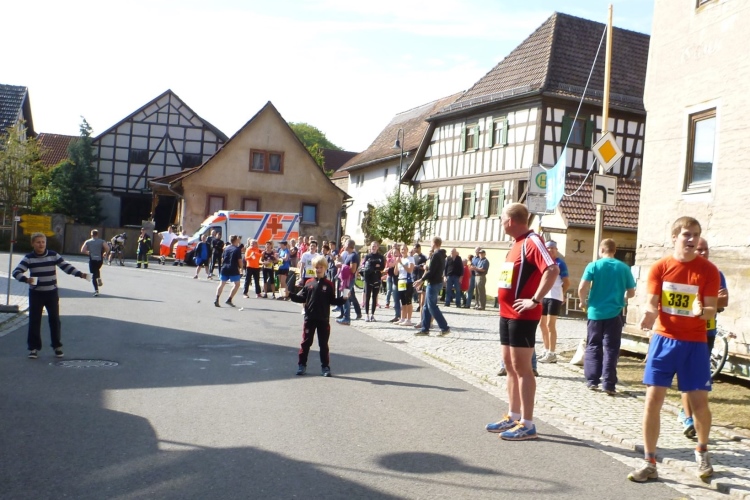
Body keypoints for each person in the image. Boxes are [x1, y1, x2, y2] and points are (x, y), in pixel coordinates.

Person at [628, 217, 719, 482]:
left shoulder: (708, 270)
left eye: (696, 235)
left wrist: (703, 311)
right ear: (674, 237)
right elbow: (652, 301)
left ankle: (702, 450)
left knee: (699, 403)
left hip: (695, 343)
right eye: (687, 234)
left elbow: (712, 309)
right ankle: (649, 462)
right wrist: (648, 314)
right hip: (664, 340)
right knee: (652, 400)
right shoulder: (661, 267)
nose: (691, 239)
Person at [485, 203, 558, 441]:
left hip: (522, 315)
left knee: (523, 367)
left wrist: (535, 300)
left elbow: (552, 269)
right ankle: (513, 415)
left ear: (510, 221)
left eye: (501, 218)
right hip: (506, 313)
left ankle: (527, 423)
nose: (500, 222)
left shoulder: (532, 241)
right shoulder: (516, 243)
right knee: (509, 365)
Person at [678, 237, 730, 438]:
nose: (703, 253)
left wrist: (706, 302)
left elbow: (724, 300)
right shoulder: (684, 271)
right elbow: (685, 302)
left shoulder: (716, 273)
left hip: (707, 332)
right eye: (699, 249)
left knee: (700, 377)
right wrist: (710, 300)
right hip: (686, 331)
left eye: (705, 249)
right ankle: (688, 418)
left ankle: (687, 412)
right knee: (687, 375)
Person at [13, 233, 89, 359]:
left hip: (51, 293)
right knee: (34, 320)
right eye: (38, 242)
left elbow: (66, 267)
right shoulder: (29, 258)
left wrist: (81, 274)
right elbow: (16, 272)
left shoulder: (53, 255)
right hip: (36, 294)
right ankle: (33, 348)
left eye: (43, 242)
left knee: (54, 320)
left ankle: (57, 346)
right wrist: (26, 279)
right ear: (33, 244)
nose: (41, 244)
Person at [577, 239, 635, 393]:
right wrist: (623, 298)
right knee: (611, 348)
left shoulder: (593, 266)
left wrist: (582, 301)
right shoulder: (624, 267)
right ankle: (609, 384)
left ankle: (592, 380)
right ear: (614, 251)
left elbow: (582, 287)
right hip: (615, 313)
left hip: (595, 312)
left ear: (601, 250)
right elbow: (631, 292)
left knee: (593, 345)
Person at [287, 255, 347, 377]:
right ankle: (301, 365)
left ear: (325, 268)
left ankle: (325, 367)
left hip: (323, 319)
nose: (318, 269)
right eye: (316, 267)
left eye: (321, 267)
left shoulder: (329, 284)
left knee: (323, 344)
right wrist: (290, 295)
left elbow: (332, 300)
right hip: (309, 318)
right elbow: (302, 298)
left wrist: (343, 299)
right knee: (306, 343)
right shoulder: (309, 282)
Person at [538, 241, 571, 364]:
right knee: (542, 324)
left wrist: (561, 293)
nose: (551, 250)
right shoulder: (543, 262)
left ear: (556, 250)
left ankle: (552, 353)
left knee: (550, 325)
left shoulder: (560, 263)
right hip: (544, 297)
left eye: (553, 248)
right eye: (548, 248)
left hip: (555, 297)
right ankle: (546, 350)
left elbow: (567, 282)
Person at [414, 237, 450, 336]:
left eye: (431, 243)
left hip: (433, 283)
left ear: (434, 243)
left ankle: (444, 327)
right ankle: (425, 329)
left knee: (432, 306)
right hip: (436, 282)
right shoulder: (441, 254)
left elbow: (431, 271)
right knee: (426, 307)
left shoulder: (436, 254)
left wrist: (421, 280)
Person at [214, 235, 244, 307]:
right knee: (237, 284)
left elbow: (222, 259)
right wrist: (241, 268)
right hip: (233, 268)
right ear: (236, 240)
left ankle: (216, 299)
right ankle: (229, 299)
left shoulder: (226, 248)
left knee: (222, 284)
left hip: (225, 268)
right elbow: (239, 260)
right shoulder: (237, 249)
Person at [337, 239, 362, 325]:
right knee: (348, 297)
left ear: (348, 245)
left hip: (349, 280)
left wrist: (341, 266)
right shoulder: (349, 255)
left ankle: (347, 318)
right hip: (346, 280)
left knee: (345, 298)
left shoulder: (353, 256)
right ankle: (347, 316)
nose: (343, 245)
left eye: (345, 244)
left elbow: (353, 270)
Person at [362, 241, 385, 322]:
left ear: (377, 247)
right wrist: (375, 265)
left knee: (374, 297)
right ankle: (366, 314)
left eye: (375, 246)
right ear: (370, 247)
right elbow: (365, 266)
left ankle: (372, 314)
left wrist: (373, 266)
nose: (373, 247)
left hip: (376, 278)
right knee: (367, 296)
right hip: (368, 279)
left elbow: (382, 267)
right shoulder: (367, 256)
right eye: (372, 246)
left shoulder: (380, 257)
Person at [80, 229, 108, 297]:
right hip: (99, 260)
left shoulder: (88, 241)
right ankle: (99, 278)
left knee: (93, 275)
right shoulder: (102, 241)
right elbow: (107, 247)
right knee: (97, 269)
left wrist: (88, 252)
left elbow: (82, 250)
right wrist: (105, 253)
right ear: (97, 234)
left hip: (92, 259)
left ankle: (96, 290)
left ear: (91, 234)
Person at [397, 244, 416, 326]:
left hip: (408, 281)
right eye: (401, 249)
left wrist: (401, 263)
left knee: (408, 300)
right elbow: (396, 272)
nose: (403, 251)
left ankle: (409, 319)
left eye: (404, 249)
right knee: (403, 301)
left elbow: (410, 270)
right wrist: (396, 263)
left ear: (407, 250)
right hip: (401, 281)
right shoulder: (400, 259)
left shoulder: (410, 259)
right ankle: (402, 318)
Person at [385, 242, 402, 322]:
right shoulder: (391, 260)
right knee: (395, 298)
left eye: (396, 253)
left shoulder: (401, 259)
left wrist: (395, 263)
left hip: (401, 281)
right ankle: (397, 315)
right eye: (393, 253)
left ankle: (403, 316)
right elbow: (389, 266)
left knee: (403, 299)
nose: (394, 254)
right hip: (394, 281)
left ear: (399, 253)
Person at [411, 243, 427, 312]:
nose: (414, 249)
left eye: (415, 248)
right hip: (413, 276)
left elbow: (424, 267)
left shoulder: (423, 257)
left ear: (419, 248)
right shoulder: (413, 257)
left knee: (420, 292)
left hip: (420, 276)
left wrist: (417, 266)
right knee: (412, 291)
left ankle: (420, 305)